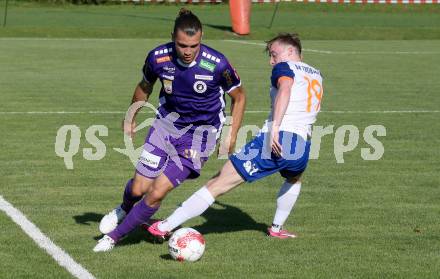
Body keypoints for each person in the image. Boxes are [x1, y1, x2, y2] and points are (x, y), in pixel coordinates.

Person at [93, 8, 246, 252]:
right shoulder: (158, 57)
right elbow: (145, 86)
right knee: (138, 188)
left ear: (202, 38)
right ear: (172, 38)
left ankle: (112, 238)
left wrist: (231, 133)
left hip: (200, 138)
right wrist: (131, 116)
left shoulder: (217, 64)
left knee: (156, 192)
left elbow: (239, 96)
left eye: (193, 46)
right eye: (182, 45)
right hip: (165, 126)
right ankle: (123, 208)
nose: (187, 51)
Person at [147, 33, 323, 239]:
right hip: (302, 146)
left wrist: (275, 127)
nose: (271, 61)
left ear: (290, 51)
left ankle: (164, 226)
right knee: (294, 178)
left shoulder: (284, 68)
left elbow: (285, 88)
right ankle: (277, 228)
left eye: (274, 55)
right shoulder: (316, 74)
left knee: (218, 183)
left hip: (279, 139)